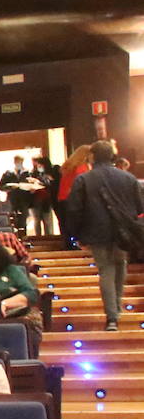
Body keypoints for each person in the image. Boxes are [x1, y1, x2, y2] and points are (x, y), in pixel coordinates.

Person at [67, 140, 144, 331]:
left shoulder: (84, 179)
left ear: (92, 156)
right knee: (121, 265)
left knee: (106, 270)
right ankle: (117, 307)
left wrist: (75, 235)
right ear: (112, 156)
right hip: (124, 230)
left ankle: (112, 316)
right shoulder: (128, 178)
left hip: (97, 231)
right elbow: (140, 206)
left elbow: (74, 210)